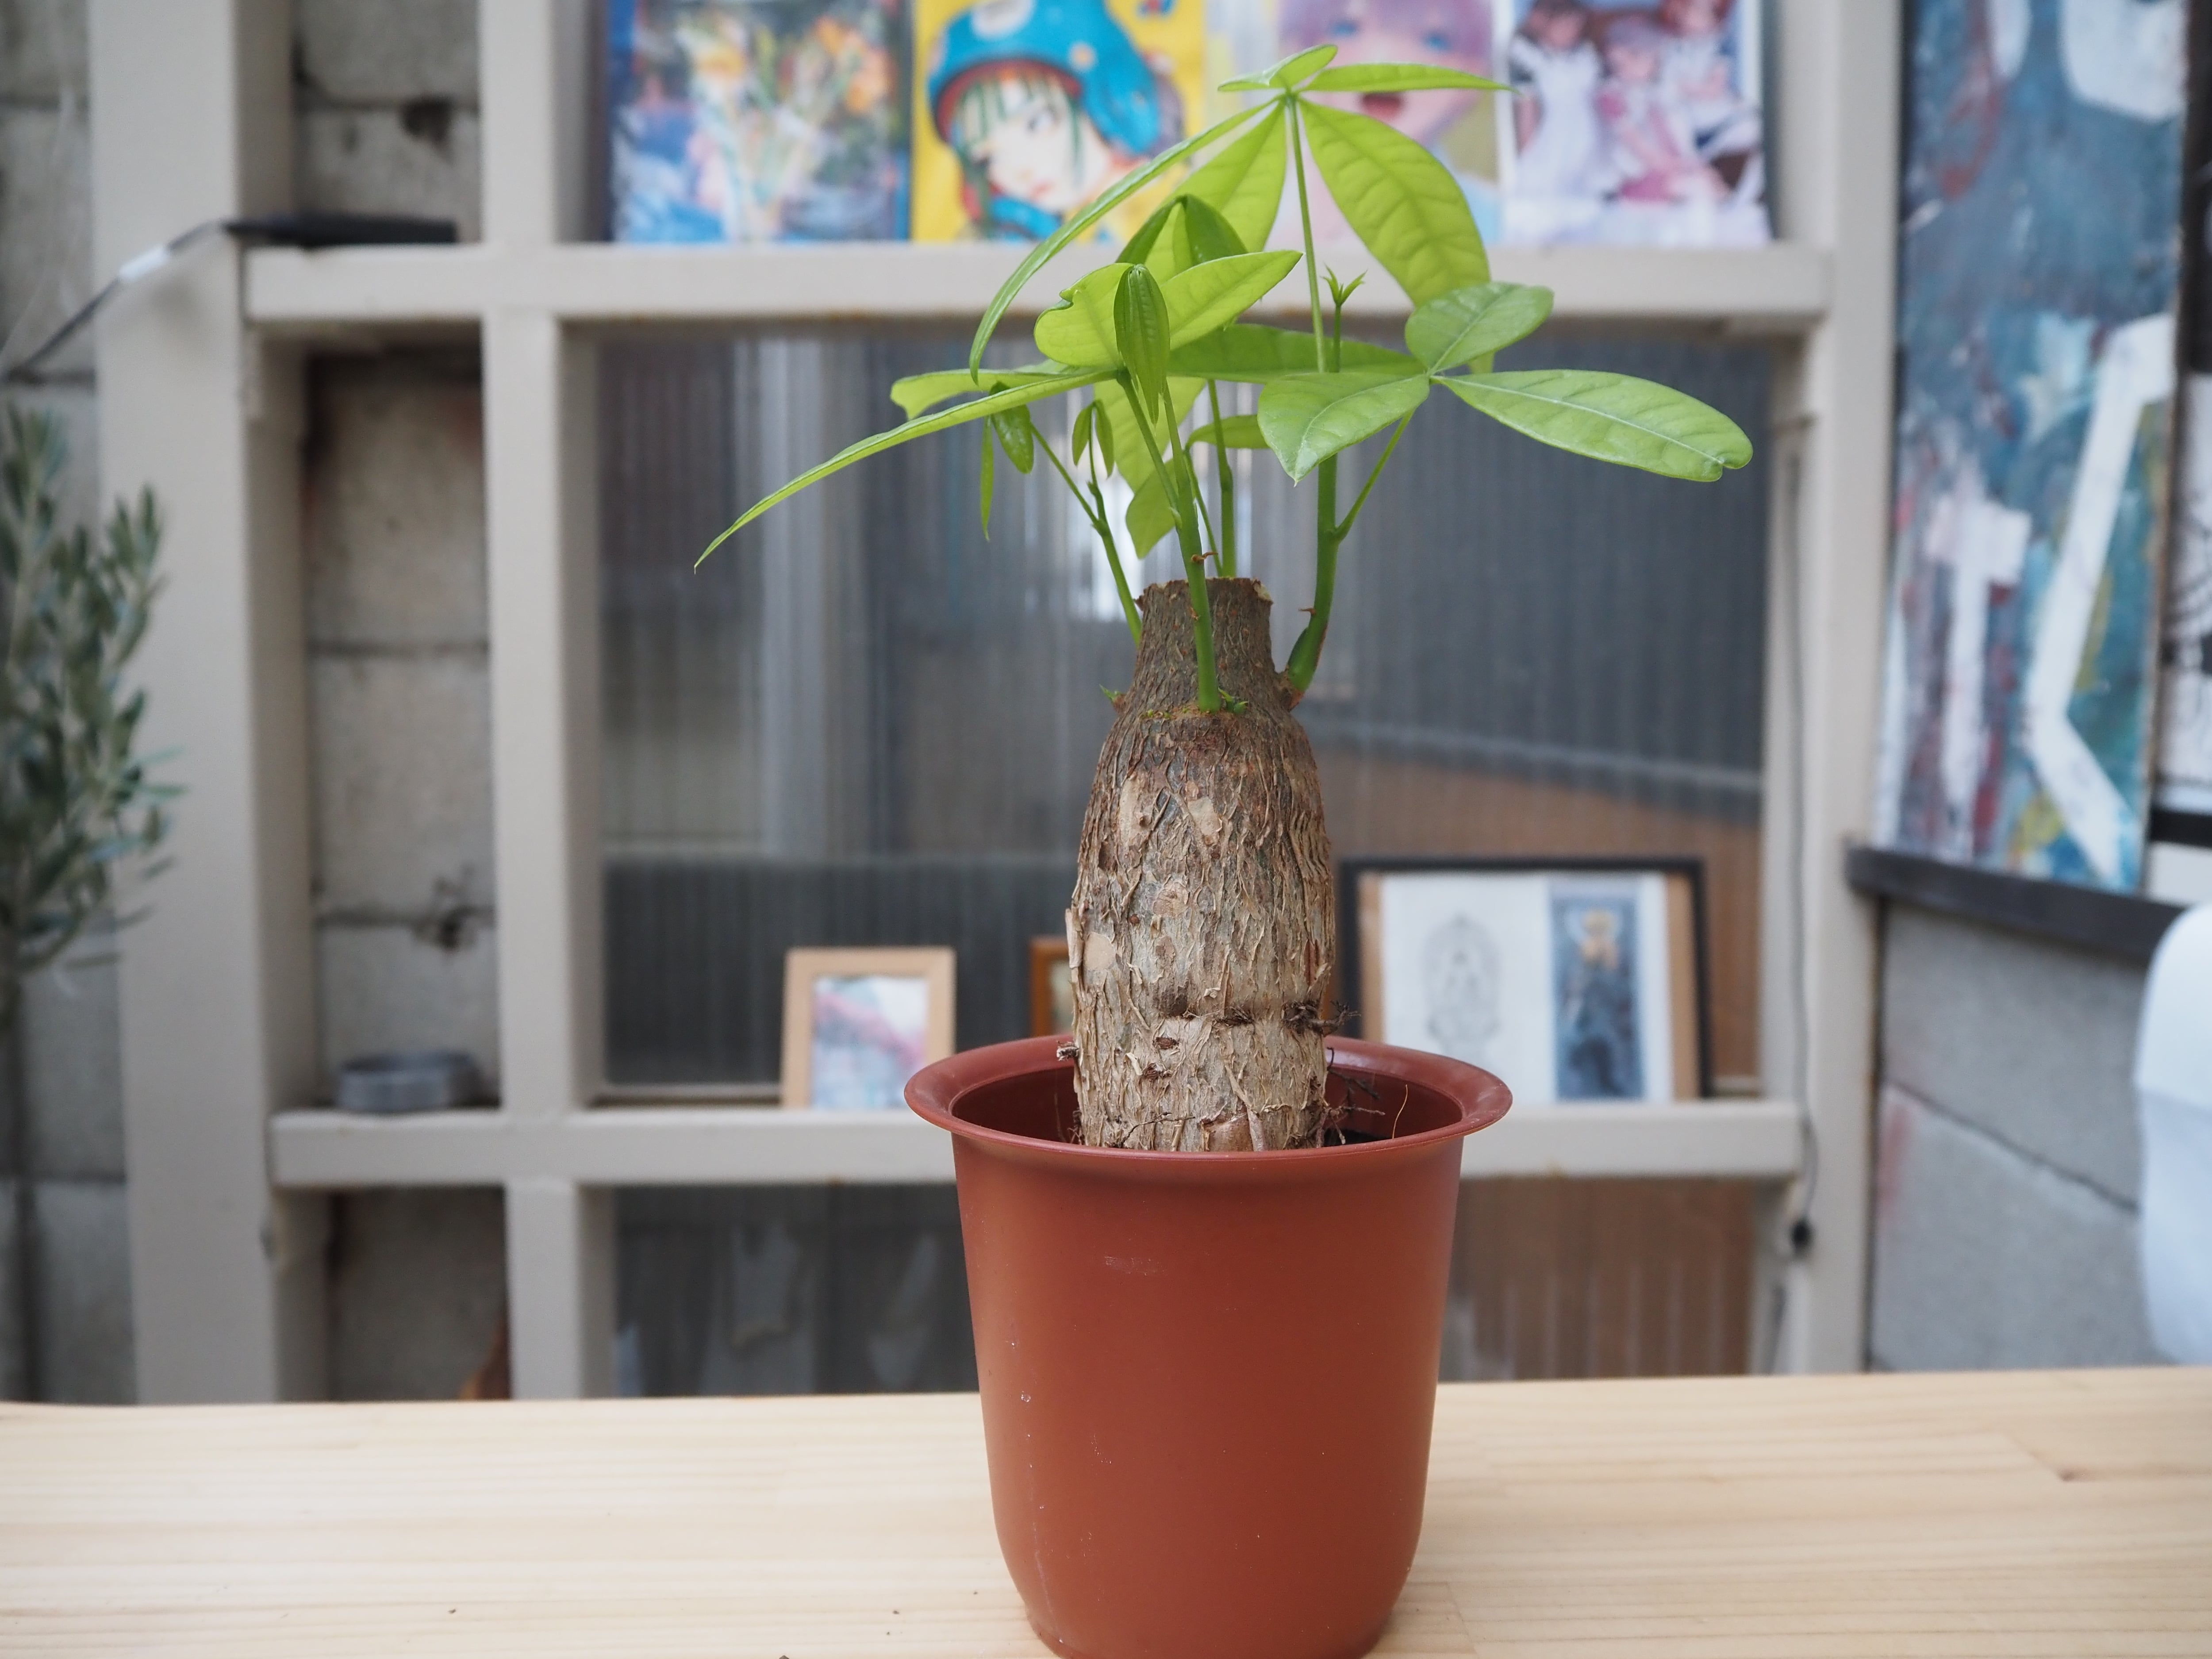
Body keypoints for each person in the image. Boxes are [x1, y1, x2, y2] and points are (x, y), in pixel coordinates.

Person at [926, 0, 1179, 239]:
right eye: (987, 158)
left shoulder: (1178, 208)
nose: (1020, 168)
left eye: (1037, 123)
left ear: (1117, 100)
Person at [1278, 0, 1502, 245]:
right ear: (1297, 49)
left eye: (1434, 41)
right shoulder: (1272, 200)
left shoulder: (1496, 218)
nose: (1384, 59)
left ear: (1473, 70)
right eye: (1346, 29)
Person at [1507, 0, 1605, 201]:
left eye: (1577, 27)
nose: (1571, 33)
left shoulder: (1585, 56)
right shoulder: (1528, 56)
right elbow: (1527, 108)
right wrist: (1525, 152)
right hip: (1549, 139)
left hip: (1585, 138)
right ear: (1543, 22)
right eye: (1565, 26)